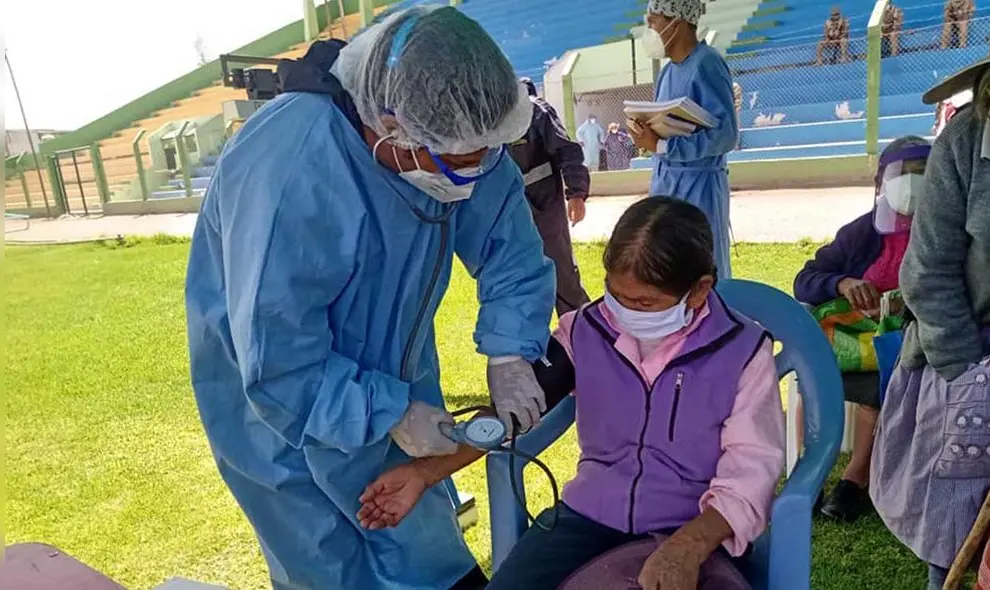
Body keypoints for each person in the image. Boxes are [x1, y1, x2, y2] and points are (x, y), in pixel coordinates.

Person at [184, 7, 556, 590]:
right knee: (328, 565)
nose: (474, 176)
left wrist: (510, 352)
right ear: (388, 125)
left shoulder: (458, 136)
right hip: (282, 419)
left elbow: (510, 249)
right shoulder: (291, 168)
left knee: (426, 554)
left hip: (395, 381)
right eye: (457, 163)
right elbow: (280, 360)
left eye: (484, 156)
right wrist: (393, 414)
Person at [357, 197, 785, 590]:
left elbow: (751, 473)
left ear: (699, 291)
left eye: (645, 304)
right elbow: (513, 413)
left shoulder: (742, 352)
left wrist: (687, 548)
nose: (622, 313)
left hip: (694, 526)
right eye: (616, 295)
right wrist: (424, 473)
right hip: (588, 519)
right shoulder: (587, 331)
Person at [870, 32, 990, 590]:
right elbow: (926, 273)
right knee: (957, 534)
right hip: (969, 355)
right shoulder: (968, 138)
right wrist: (974, 370)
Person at [793, 136, 932, 523]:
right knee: (814, 382)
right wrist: (842, 284)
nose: (909, 183)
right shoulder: (861, 233)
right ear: (880, 183)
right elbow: (806, 279)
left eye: (921, 174)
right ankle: (811, 474)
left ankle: (855, 480)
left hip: (908, 345)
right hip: (850, 340)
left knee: (879, 388)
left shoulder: (944, 230)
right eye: (900, 174)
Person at [630, 0, 739, 281]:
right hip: (667, 183)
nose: (649, 29)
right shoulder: (668, 72)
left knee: (700, 266)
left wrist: (664, 146)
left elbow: (725, 135)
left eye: (653, 21)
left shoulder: (707, 64)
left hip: (698, 187)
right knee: (669, 267)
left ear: (675, 22)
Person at [510, 78, 591, 315]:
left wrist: (576, 193)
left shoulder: (537, 112)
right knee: (518, 283)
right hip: (507, 213)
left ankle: (581, 334)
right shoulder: (489, 118)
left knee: (562, 276)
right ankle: (529, 347)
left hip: (544, 208)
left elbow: (567, 150)